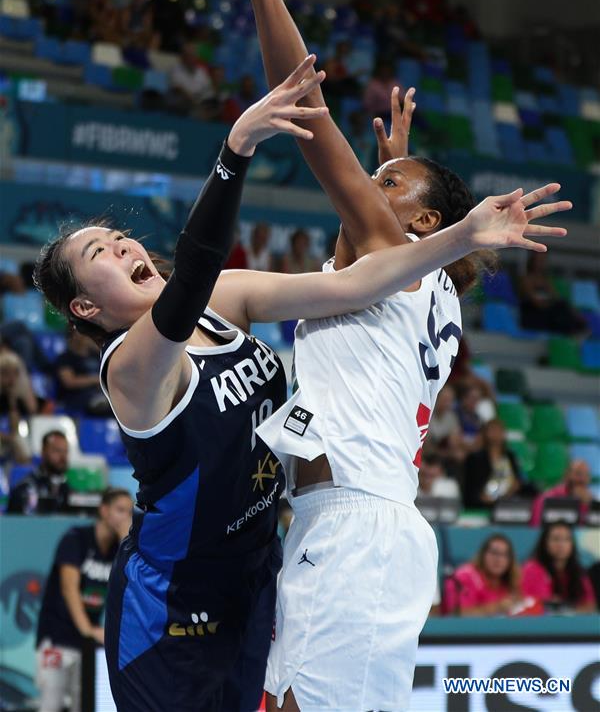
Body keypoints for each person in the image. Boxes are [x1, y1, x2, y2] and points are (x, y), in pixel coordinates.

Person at [35, 49, 566, 712]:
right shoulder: (131, 366)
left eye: (118, 238)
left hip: (262, 574)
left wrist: (451, 235)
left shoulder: (226, 299)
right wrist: (234, 150)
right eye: (99, 255)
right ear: (85, 307)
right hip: (174, 601)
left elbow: (353, 284)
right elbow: (194, 272)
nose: (121, 247)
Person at [183, 0, 572, 712]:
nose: (369, 184)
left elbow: (309, 113)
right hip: (353, 525)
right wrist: (401, 169)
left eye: (387, 183)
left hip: (355, 527)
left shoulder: (395, 250)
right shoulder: (423, 281)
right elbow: (388, 212)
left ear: (424, 225)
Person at [36, 488, 133, 712]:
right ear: (104, 510)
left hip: (86, 645)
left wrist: (124, 542)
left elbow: (130, 590)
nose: (126, 517)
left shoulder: (117, 552)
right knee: (51, 704)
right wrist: (88, 629)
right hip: (58, 637)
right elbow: (69, 589)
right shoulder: (76, 538)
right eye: (120, 510)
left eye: (130, 512)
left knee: (85, 704)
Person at [521, 522, 596, 613]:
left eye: (567, 539)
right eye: (556, 539)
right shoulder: (532, 569)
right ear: (545, 543)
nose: (561, 544)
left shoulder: (579, 573)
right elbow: (542, 606)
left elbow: (590, 606)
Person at [443, 533, 521, 616]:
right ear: (483, 554)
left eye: (504, 555)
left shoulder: (512, 581)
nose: (498, 559)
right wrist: (497, 607)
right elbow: (458, 614)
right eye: (494, 553)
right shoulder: (465, 576)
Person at [518, 252, 588, 336]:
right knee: (559, 311)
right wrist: (550, 302)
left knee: (562, 305)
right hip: (532, 313)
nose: (541, 263)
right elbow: (536, 301)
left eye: (543, 261)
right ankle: (573, 332)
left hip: (546, 310)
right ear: (532, 261)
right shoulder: (527, 279)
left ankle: (578, 329)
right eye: (539, 260)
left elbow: (555, 296)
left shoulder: (545, 279)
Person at [463, 419, 523, 510]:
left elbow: (516, 481)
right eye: (493, 430)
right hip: (481, 504)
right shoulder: (474, 459)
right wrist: (481, 497)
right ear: (485, 433)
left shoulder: (510, 457)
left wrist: (512, 489)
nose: (496, 433)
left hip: (507, 503)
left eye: (499, 430)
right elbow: (470, 486)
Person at [7, 430, 70, 514]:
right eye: (57, 451)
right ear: (43, 452)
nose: (63, 457)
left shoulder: (70, 488)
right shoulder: (25, 488)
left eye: (65, 451)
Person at [55, 330, 110, 416]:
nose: (85, 337)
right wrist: (96, 380)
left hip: (100, 393)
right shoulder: (65, 358)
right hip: (77, 398)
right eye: (81, 334)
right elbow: (69, 382)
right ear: (72, 337)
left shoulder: (96, 356)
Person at [530, 459, 593, 526]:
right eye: (578, 473)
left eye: (586, 475)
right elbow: (535, 527)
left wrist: (585, 506)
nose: (582, 479)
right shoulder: (546, 498)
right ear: (567, 475)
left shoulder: (592, 502)